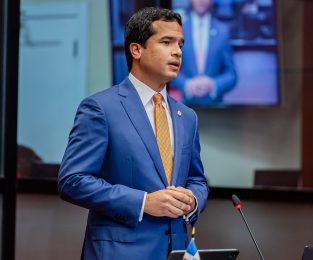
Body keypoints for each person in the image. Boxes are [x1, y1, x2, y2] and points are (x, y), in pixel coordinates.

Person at [58, 7, 208, 260]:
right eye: (166, 42)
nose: (178, 52)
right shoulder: (101, 108)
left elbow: (197, 179)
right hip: (119, 252)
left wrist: (193, 200)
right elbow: (72, 180)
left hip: (176, 251)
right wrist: (143, 202)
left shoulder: (187, 116)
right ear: (136, 50)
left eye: (181, 44)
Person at [171, 0, 237, 105]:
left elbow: (231, 75)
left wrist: (214, 84)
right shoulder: (178, 30)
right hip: (187, 107)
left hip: (216, 108)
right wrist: (186, 84)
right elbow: (168, 69)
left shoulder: (223, 31)